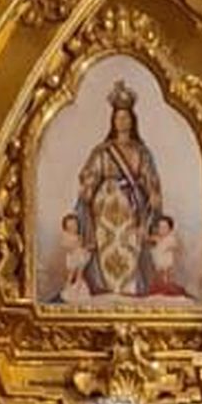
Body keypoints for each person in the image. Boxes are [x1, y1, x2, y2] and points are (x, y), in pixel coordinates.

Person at [72, 81, 162, 296]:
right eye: (118, 118)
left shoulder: (142, 152)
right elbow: (90, 174)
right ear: (113, 122)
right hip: (106, 207)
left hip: (133, 208)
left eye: (126, 117)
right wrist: (88, 186)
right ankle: (107, 287)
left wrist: (153, 192)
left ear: (133, 121)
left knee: (130, 244)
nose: (122, 122)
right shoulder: (103, 151)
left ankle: (129, 288)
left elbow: (150, 178)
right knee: (108, 245)